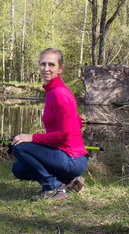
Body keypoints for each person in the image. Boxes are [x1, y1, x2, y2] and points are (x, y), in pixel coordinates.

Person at [11, 48, 89, 200]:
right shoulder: (56, 91)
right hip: (68, 156)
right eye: (43, 64)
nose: (46, 68)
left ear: (60, 69)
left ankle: (53, 187)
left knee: (19, 146)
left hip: (72, 159)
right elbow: (78, 122)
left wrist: (32, 137)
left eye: (51, 65)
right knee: (19, 169)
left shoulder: (59, 93)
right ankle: (68, 181)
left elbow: (64, 134)